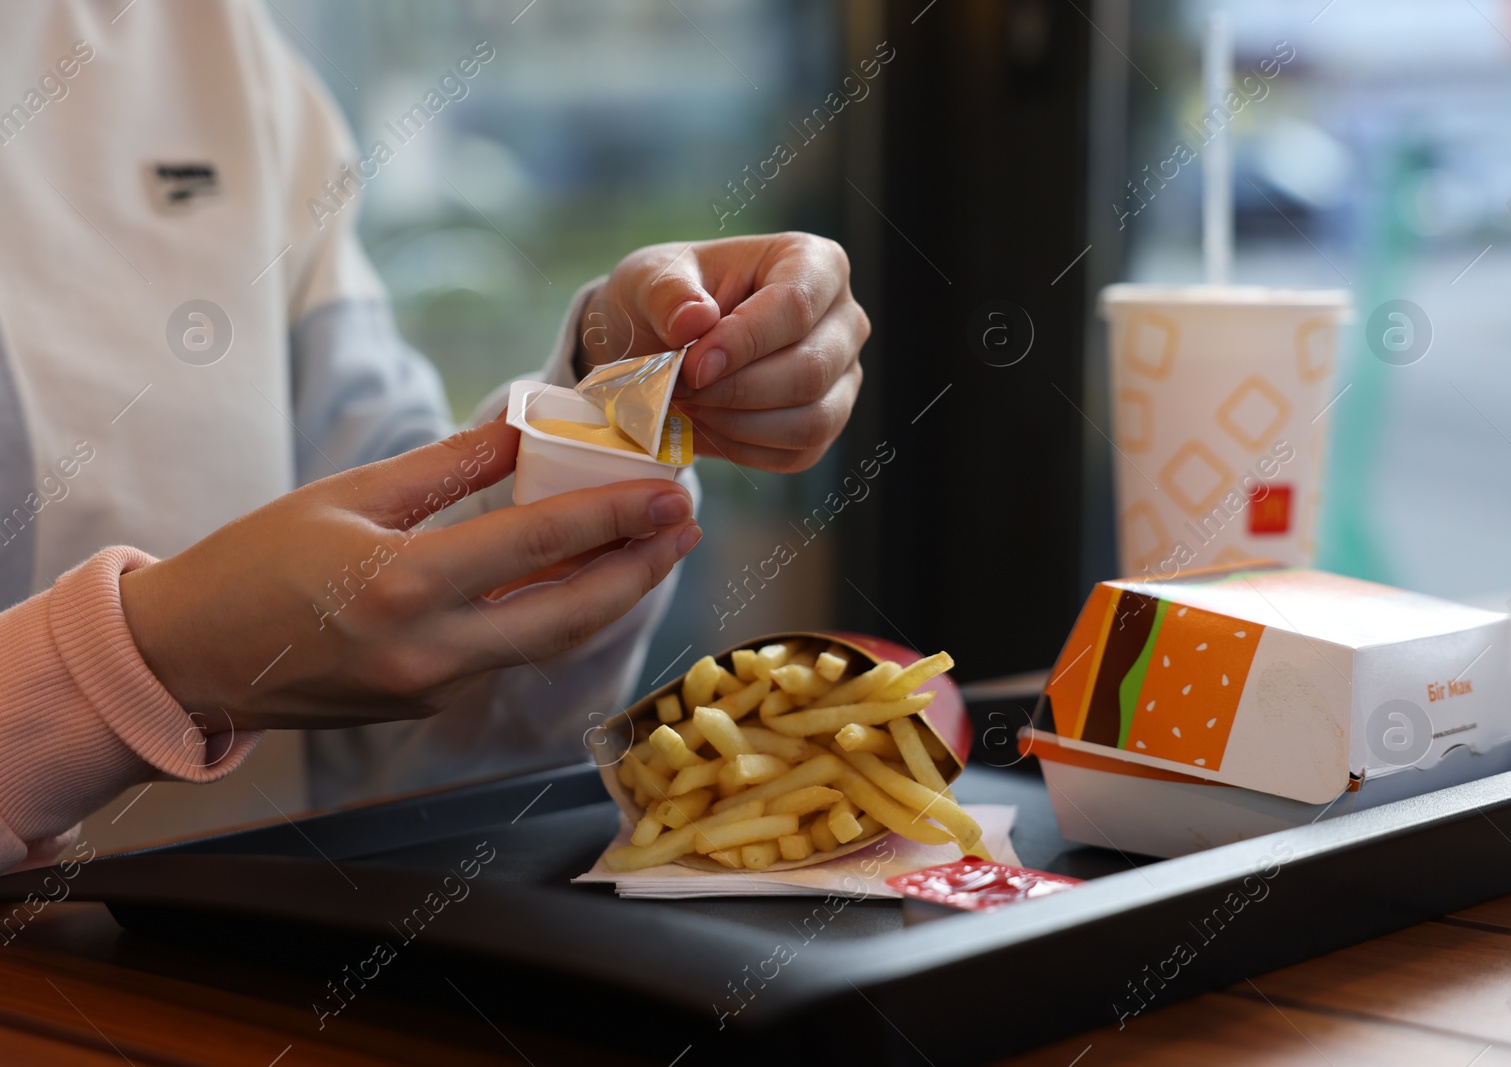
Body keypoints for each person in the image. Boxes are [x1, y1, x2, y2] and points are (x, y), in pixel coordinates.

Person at [0, 2, 868, 871]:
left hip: (222, 977)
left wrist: (609, 401)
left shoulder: (207, 43)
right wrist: (141, 665)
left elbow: (381, 600)